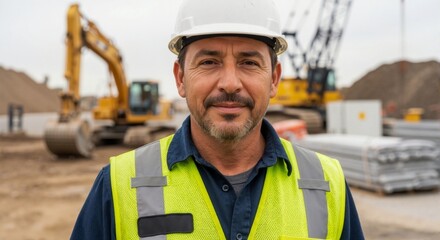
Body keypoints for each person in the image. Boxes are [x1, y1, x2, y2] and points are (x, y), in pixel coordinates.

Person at [71, 0, 364, 239]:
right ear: (181, 78)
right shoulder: (118, 185)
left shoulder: (328, 183)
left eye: (249, 63)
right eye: (209, 62)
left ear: (274, 79)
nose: (230, 83)